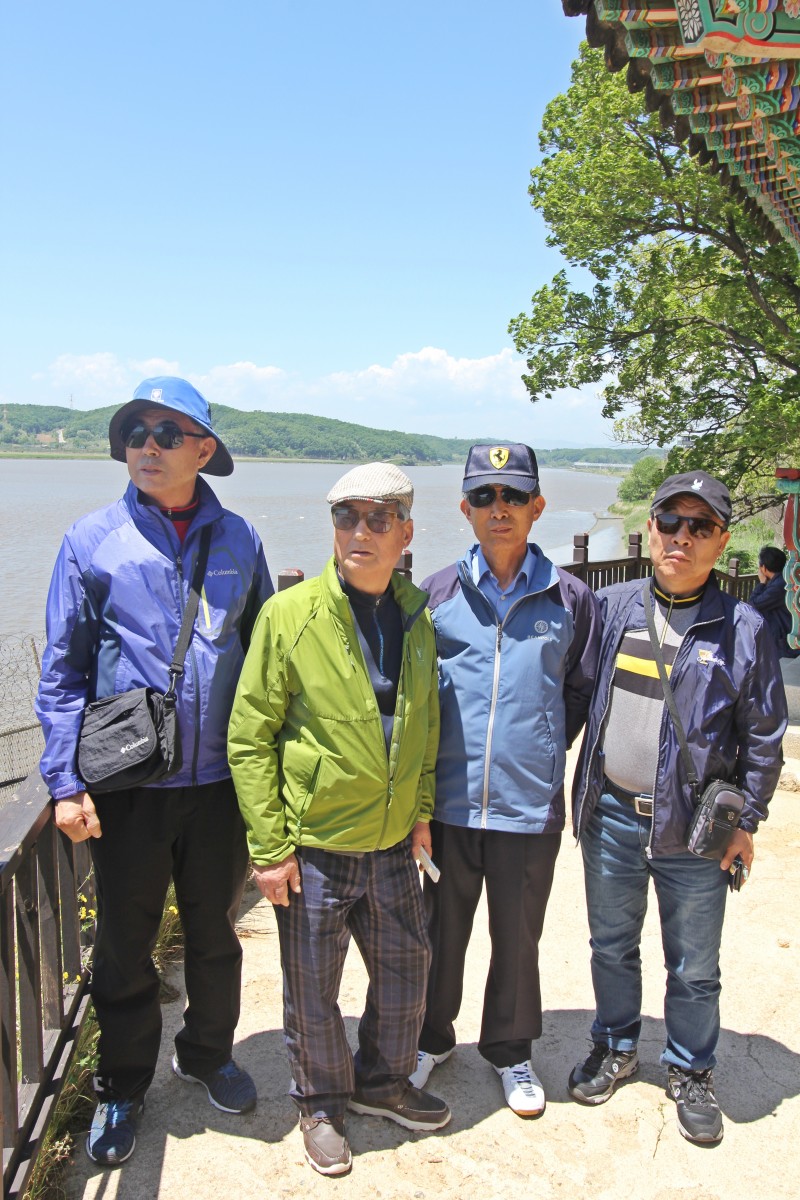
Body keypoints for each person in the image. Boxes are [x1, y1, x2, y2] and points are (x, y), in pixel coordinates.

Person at [35, 376, 273, 1167]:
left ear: (204, 450)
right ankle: (123, 1083)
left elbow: (269, 662)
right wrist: (64, 781)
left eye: (168, 434)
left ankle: (207, 1055)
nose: (147, 445)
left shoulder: (241, 539)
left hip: (220, 787)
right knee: (125, 946)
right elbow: (63, 674)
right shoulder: (90, 539)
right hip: (128, 789)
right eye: (135, 431)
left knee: (215, 937)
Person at [228, 462, 449, 1178]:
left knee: (407, 970)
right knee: (313, 990)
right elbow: (250, 733)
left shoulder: (416, 617)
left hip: (389, 845)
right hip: (316, 846)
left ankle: (383, 1081)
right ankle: (321, 1104)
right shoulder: (289, 615)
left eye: (378, 518)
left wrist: (419, 815)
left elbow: (423, 727)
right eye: (347, 517)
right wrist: (269, 848)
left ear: (405, 532)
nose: (360, 531)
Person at [568, 470, 787, 1145]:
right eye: (671, 522)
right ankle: (615, 1043)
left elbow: (765, 736)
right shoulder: (615, 607)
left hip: (694, 834)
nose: (681, 538)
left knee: (694, 966)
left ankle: (691, 1069)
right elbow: (577, 695)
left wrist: (747, 821)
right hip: (609, 815)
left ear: (723, 542)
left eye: (701, 527)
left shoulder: (742, 627)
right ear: (653, 530)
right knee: (610, 945)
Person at [410, 443, 601, 1117]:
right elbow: (415, 696)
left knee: (518, 937)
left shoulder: (570, 597)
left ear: (537, 507)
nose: (500, 509)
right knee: (440, 932)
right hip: (451, 806)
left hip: (528, 806)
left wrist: (545, 751)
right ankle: (430, 1038)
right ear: (465, 508)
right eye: (486, 497)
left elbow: (580, 690)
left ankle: (511, 1050)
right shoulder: (433, 594)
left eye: (514, 496)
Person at [749, 545, 799, 659]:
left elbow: (753, 605)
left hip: (785, 644)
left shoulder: (779, 586)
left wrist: (761, 583)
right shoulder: (782, 580)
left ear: (764, 568)